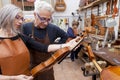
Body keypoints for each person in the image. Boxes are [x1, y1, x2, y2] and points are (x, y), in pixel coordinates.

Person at [0, 4, 78, 79]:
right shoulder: (25, 28)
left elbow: (44, 48)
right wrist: (13, 78)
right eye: (17, 17)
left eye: (22, 19)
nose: (20, 22)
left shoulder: (20, 36)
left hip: (30, 74)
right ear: (6, 17)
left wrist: (66, 45)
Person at [22, 0, 69, 80]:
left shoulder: (53, 28)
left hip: (47, 69)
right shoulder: (25, 28)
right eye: (43, 19)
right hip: (31, 68)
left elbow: (65, 35)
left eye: (48, 19)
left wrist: (54, 49)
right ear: (35, 14)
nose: (46, 23)